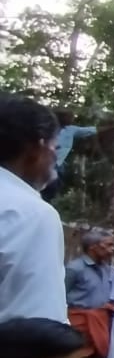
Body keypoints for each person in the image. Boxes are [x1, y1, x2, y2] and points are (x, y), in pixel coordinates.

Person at [0, 93, 68, 324]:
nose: (55, 159)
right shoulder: (32, 214)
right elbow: (39, 327)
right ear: (37, 147)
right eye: (55, 148)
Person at [64, 228, 114, 358]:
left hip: (101, 321)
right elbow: (61, 294)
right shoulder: (75, 268)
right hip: (80, 323)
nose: (112, 249)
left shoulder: (106, 268)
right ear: (93, 247)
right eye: (109, 245)